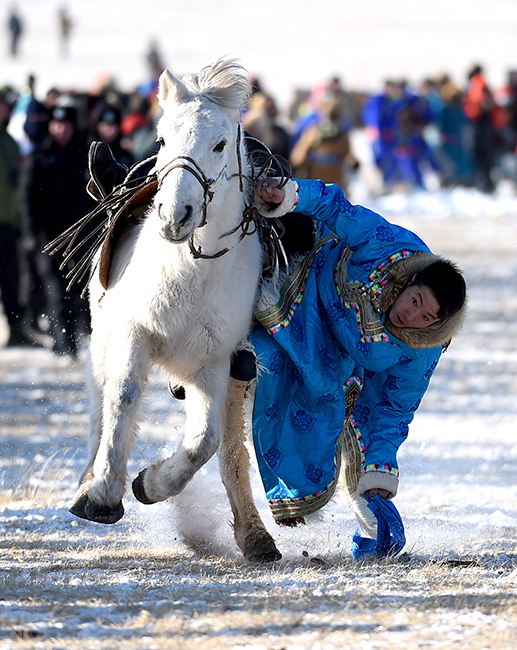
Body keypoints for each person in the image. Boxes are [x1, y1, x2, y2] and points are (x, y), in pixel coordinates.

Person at [250, 176, 467, 541]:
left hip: (350, 360)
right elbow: (337, 208)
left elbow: (396, 408)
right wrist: (287, 193)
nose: (412, 317)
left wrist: (381, 469)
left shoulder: (424, 347)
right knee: (267, 357)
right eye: (414, 301)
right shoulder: (388, 248)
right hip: (307, 292)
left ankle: (368, 525)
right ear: (410, 280)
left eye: (426, 317)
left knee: (335, 407)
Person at [19, 101, 94, 354]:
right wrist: (33, 235)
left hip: (82, 239)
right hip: (49, 239)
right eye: (57, 124)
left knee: (82, 292)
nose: (61, 129)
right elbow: (27, 200)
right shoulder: (40, 158)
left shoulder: (85, 156)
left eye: (66, 125)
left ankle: (81, 337)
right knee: (56, 292)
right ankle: (64, 344)